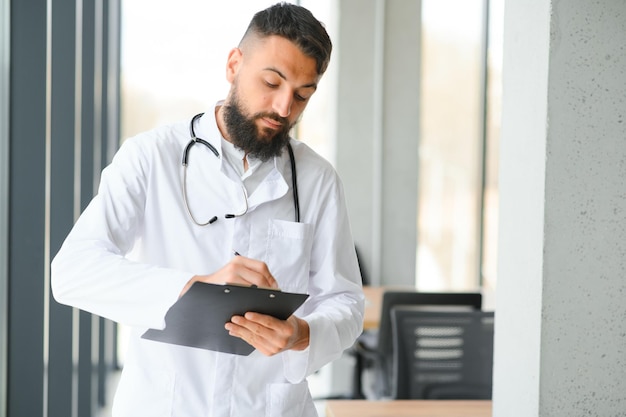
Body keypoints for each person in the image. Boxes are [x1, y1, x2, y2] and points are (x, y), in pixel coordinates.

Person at [51, 3, 364, 417]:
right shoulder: (151, 157)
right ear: (234, 64)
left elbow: (345, 300)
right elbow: (72, 272)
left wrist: (302, 333)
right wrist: (192, 288)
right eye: (271, 82)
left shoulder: (317, 179)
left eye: (302, 95)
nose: (284, 108)